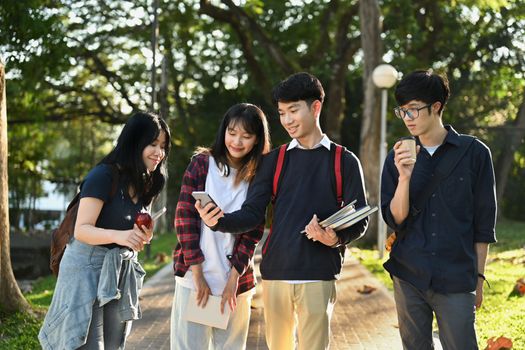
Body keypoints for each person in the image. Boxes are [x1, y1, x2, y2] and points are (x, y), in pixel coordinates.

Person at [197, 72, 369, 350]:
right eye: (281, 113)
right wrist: (219, 221)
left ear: (315, 107)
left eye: (293, 110)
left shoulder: (344, 160)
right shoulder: (273, 161)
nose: (287, 120)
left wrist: (334, 239)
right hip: (276, 273)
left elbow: (360, 219)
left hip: (319, 273)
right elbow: (253, 214)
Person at [380, 69, 497, 350]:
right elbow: (395, 218)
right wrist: (405, 176)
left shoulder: (475, 153)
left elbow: (483, 225)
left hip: (456, 276)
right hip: (408, 273)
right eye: (402, 111)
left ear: (437, 107)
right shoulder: (397, 155)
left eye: (413, 110)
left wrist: (479, 280)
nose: (407, 118)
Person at [39, 112, 170, 350]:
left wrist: (142, 235)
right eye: (152, 144)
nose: (159, 152)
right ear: (134, 142)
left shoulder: (147, 181)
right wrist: (120, 236)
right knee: (88, 344)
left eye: (162, 146)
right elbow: (82, 230)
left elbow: (129, 226)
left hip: (120, 268)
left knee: (114, 344)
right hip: (86, 268)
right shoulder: (103, 175)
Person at [171, 103, 271, 350]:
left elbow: (253, 232)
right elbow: (184, 220)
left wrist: (233, 279)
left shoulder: (259, 175)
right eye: (232, 132)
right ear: (223, 131)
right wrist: (198, 276)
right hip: (194, 278)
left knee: (231, 347)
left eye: (246, 136)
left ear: (257, 140)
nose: (237, 141)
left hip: (234, 283)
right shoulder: (202, 165)